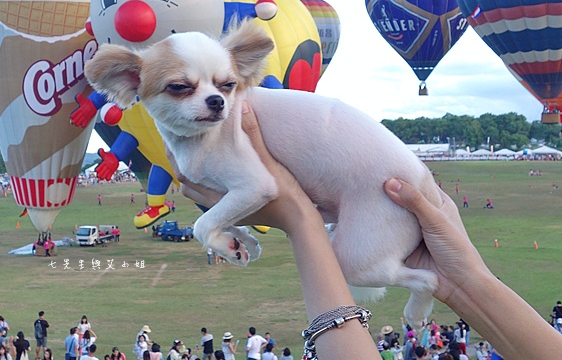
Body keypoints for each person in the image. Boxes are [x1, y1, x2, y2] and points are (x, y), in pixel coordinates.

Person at [174, 101, 562, 360]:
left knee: (355, 268)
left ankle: (419, 280)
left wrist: (301, 220)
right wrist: (465, 281)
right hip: (373, 181)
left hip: (369, 188)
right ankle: (423, 281)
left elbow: (260, 187)